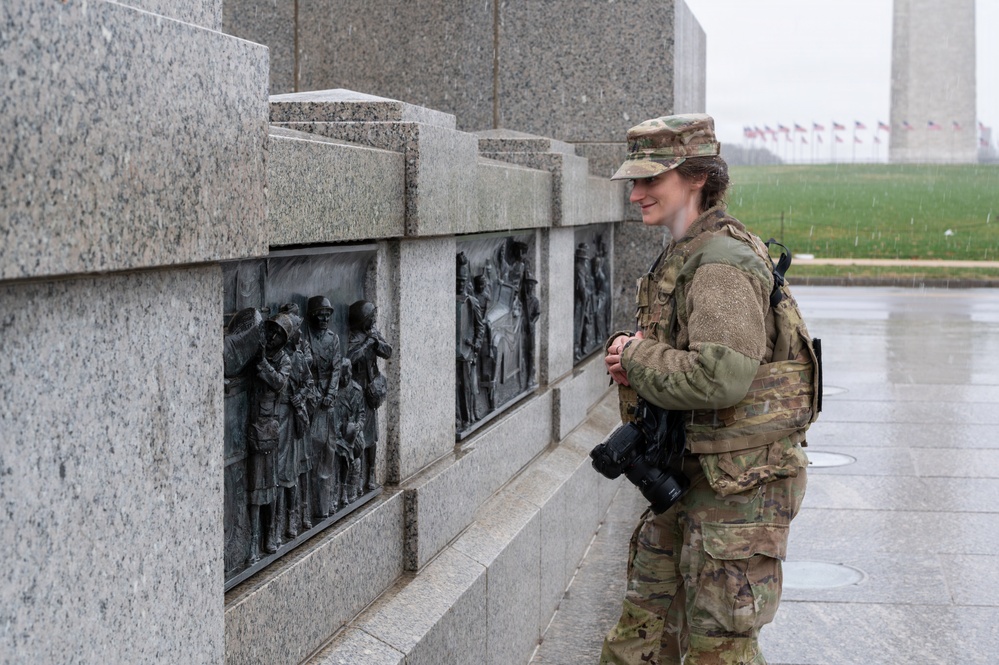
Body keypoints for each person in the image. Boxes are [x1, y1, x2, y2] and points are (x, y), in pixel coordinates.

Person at [600, 114, 818, 665]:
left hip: (737, 492)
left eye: (652, 179)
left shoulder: (720, 262)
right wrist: (640, 358)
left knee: (717, 648)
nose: (637, 194)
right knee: (641, 636)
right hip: (695, 473)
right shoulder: (687, 251)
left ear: (697, 178)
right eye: (634, 181)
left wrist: (636, 355)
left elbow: (720, 377)